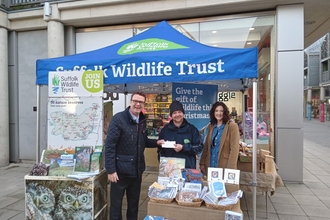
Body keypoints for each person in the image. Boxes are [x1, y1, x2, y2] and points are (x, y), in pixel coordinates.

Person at [105, 91, 162, 220]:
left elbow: (143, 141)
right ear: (130, 102)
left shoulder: (142, 120)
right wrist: (111, 170)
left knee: (133, 206)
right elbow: (109, 146)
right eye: (135, 101)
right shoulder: (118, 119)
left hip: (136, 171)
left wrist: (157, 142)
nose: (137, 104)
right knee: (116, 206)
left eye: (141, 102)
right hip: (119, 172)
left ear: (144, 105)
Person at [157, 100, 203, 169]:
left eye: (179, 112)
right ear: (171, 115)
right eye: (174, 113)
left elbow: (199, 147)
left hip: (187, 170)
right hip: (170, 170)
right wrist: (163, 164)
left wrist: (183, 147)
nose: (177, 115)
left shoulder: (192, 129)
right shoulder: (165, 130)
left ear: (183, 113)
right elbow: (160, 150)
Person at [200, 102, 239, 175]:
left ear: (225, 112)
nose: (219, 113)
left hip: (224, 166)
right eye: (216, 111)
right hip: (210, 164)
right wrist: (202, 162)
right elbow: (206, 146)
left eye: (221, 111)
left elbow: (234, 149)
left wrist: (230, 169)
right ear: (213, 112)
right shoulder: (211, 126)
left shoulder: (232, 126)